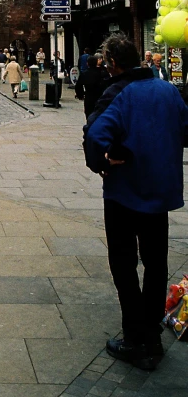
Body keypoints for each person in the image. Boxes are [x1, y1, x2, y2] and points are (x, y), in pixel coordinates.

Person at [84, 33, 188, 371]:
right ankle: (153, 333)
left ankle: (135, 339)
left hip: (125, 193)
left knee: (125, 265)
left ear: (112, 63)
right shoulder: (168, 89)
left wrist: (103, 161)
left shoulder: (118, 92)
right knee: (156, 264)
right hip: (160, 192)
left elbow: (95, 134)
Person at [75, 55, 108, 119]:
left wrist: (80, 95)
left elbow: (78, 85)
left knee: (89, 114)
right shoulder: (102, 72)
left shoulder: (85, 73)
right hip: (100, 96)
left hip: (89, 97)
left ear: (87, 63)